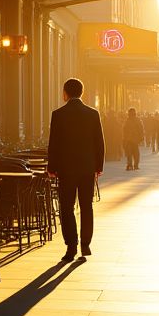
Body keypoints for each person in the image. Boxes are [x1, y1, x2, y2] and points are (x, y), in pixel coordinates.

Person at [46, 78, 105, 261]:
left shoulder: (58, 114)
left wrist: (52, 167)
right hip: (87, 168)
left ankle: (71, 246)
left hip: (66, 169)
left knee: (67, 207)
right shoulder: (92, 114)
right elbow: (99, 142)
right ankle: (86, 244)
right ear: (82, 92)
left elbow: (53, 144)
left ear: (65, 93)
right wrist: (98, 167)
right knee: (86, 206)